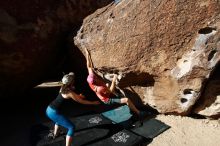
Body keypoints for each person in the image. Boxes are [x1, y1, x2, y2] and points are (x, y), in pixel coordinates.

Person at [84, 48, 146, 118]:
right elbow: (110, 91)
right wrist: (114, 79)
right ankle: (138, 113)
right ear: (95, 80)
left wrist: (87, 54)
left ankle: (120, 98)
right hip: (107, 100)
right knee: (126, 100)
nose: (94, 75)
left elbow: (89, 66)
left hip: (104, 92)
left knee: (108, 85)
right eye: (94, 77)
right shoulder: (100, 88)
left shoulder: (91, 79)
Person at [46, 72, 100, 146]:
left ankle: (55, 134)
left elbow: (73, 95)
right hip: (53, 112)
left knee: (58, 120)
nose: (74, 80)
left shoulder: (63, 87)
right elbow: (82, 101)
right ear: (71, 82)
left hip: (49, 109)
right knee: (71, 127)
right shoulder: (69, 92)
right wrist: (93, 103)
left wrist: (78, 96)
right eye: (73, 80)